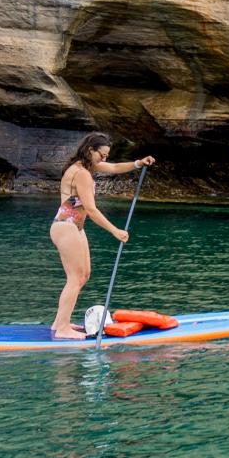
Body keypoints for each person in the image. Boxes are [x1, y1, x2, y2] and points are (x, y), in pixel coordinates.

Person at [50, 132, 155, 338]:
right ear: (91, 150)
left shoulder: (84, 167)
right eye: (102, 155)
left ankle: (59, 323)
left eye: (106, 156)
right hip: (66, 226)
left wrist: (137, 163)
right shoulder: (81, 174)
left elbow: (114, 168)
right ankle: (62, 329)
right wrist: (115, 230)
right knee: (75, 278)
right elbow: (91, 209)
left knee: (84, 276)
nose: (104, 160)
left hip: (74, 227)